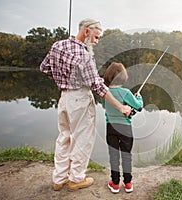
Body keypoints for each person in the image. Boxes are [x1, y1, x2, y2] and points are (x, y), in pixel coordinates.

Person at [40, 19, 131, 191]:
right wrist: (121, 107)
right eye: (96, 37)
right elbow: (98, 86)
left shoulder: (57, 46)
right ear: (87, 31)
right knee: (83, 139)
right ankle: (76, 179)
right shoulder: (84, 55)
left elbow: (44, 68)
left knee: (64, 137)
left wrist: (63, 80)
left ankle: (59, 179)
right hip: (80, 99)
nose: (96, 42)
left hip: (64, 98)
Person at [102, 62, 143, 193]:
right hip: (125, 128)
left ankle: (114, 184)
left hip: (110, 128)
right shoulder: (126, 93)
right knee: (126, 155)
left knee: (113, 155)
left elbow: (105, 106)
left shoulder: (105, 92)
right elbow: (139, 107)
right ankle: (128, 183)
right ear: (123, 77)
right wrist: (139, 98)